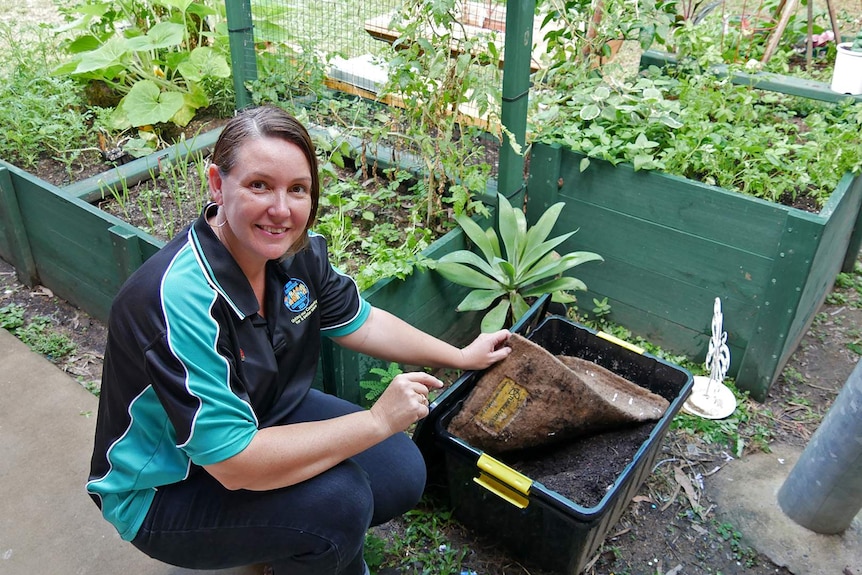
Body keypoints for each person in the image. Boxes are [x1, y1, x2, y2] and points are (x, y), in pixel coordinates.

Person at [86, 105, 512, 575]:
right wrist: (376, 421)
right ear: (216, 183)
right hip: (165, 489)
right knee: (340, 505)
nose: (282, 210)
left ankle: (279, 547)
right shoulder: (177, 300)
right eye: (259, 185)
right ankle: (303, 542)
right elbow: (234, 463)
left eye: (298, 189)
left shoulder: (295, 253)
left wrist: (460, 355)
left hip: (261, 415)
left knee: (399, 473)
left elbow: (363, 322)